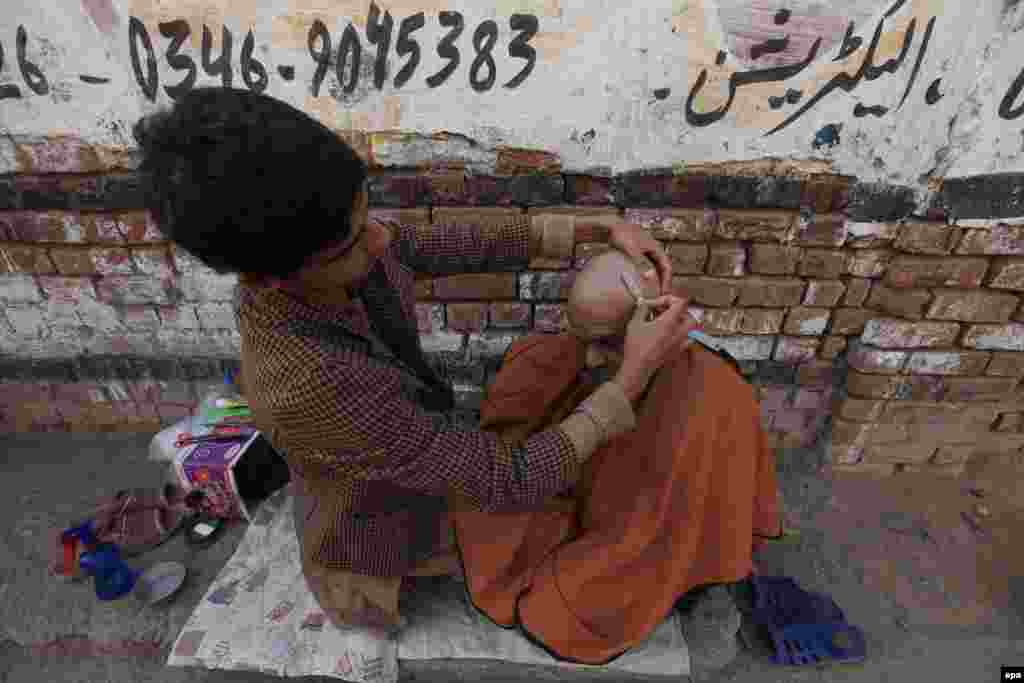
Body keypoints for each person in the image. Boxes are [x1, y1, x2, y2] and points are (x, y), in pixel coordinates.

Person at [132, 88, 693, 635]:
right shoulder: (314, 386)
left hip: (415, 451)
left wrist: (596, 228)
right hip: (374, 530)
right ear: (271, 278)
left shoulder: (326, 247)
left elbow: (430, 240)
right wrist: (630, 379)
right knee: (567, 540)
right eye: (352, 244)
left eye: (367, 216)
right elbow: (507, 477)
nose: (381, 241)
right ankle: (370, 589)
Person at [451, 249, 782, 668]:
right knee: (487, 524)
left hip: (641, 532)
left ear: (649, 329)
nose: (587, 359)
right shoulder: (562, 354)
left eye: (605, 343)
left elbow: (657, 525)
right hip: (573, 495)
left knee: (561, 611)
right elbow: (517, 465)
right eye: (579, 335)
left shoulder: (716, 396)